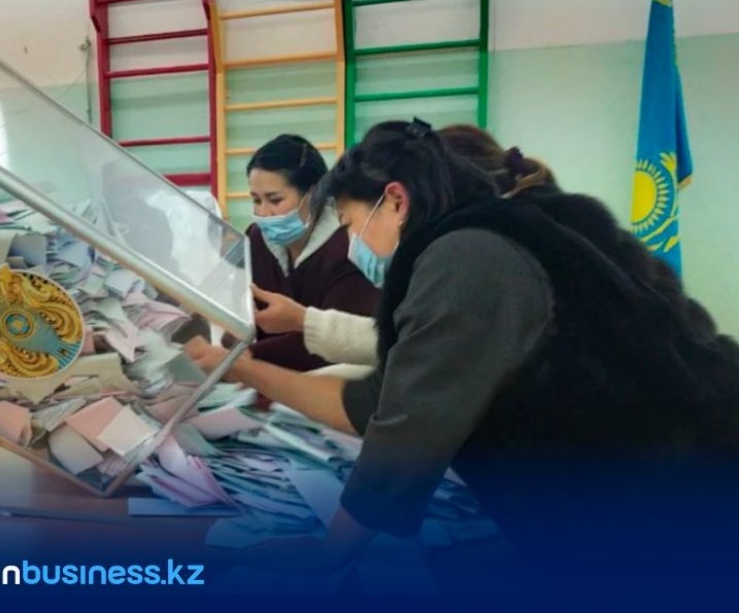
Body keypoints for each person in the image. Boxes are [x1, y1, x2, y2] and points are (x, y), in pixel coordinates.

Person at [262, 119, 739, 584]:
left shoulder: (464, 259)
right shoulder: (520, 224)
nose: (352, 244)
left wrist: (328, 553)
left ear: (396, 200)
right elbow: (394, 392)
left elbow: (406, 435)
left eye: (350, 224)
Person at [232, 134, 377, 370]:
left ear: (314, 194)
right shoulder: (255, 238)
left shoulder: (349, 247)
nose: (264, 213)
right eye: (256, 200)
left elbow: (341, 343)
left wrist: (246, 358)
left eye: (275, 200)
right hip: (261, 377)